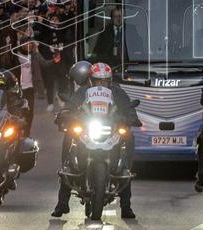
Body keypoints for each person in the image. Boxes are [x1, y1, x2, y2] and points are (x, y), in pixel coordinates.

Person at [51, 62, 140, 219]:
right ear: (91, 80)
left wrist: (130, 118)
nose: (102, 84)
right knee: (69, 136)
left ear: (110, 80)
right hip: (87, 128)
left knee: (128, 139)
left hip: (111, 130)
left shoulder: (118, 92)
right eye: (98, 81)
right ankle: (62, 202)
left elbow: (129, 109)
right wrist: (65, 114)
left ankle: (126, 205)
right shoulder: (83, 92)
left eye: (105, 81)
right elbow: (70, 105)